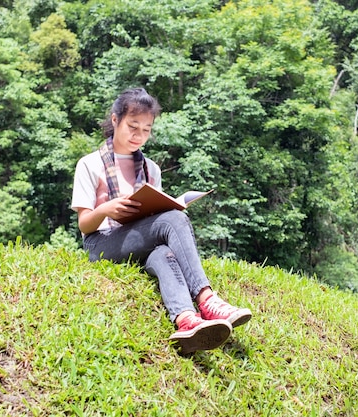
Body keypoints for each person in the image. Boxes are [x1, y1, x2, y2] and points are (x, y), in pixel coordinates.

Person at [71, 87, 252, 354]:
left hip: (138, 241)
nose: (139, 136)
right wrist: (106, 209)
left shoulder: (150, 168)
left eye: (146, 129)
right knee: (173, 219)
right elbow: (84, 225)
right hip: (102, 244)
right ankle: (207, 299)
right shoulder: (90, 164)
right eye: (133, 126)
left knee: (164, 252)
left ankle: (186, 321)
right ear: (114, 120)